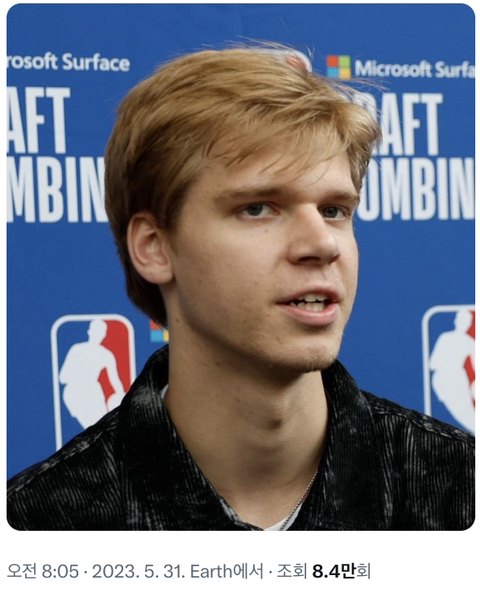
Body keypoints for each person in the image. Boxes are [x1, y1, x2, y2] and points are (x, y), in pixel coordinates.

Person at [7, 44, 474, 530]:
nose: (322, 243)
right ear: (154, 248)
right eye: (257, 208)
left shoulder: (461, 489)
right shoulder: (37, 526)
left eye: (334, 210)